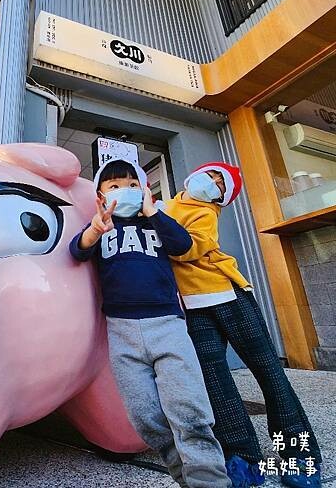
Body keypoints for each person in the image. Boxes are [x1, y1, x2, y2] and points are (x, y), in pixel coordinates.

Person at [69, 157, 230, 488]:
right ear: (101, 196)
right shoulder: (100, 227)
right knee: (144, 416)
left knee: (189, 410)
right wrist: (95, 228)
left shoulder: (157, 221)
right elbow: (77, 251)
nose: (125, 190)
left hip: (167, 325)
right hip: (122, 332)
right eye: (115, 186)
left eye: (133, 185)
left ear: (144, 190)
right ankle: (185, 475)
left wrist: (152, 211)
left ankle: (210, 480)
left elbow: (183, 245)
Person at [166, 162, 322, 488]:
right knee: (216, 382)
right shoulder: (167, 207)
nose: (211, 183)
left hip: (228, 295)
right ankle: (242, 457)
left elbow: (186, 250)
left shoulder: (205, 212)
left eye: (219, 185)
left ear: (221, 198)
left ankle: (299, 454)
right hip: (193, 306)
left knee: (269, 372)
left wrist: (154, 217)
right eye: (210, 175)